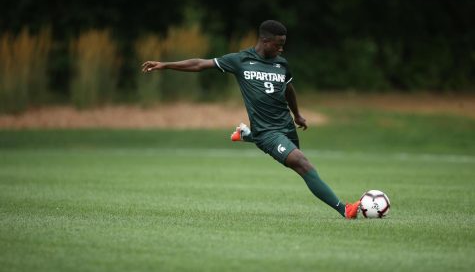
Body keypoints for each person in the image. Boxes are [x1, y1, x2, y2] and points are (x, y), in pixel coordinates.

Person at [142, 20, 360, 219]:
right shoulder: (240, 60)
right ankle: (344, 209)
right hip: (268, 133)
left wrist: (297, 114)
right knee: (303, 165)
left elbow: (289, 88)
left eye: (283, 44)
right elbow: (200, 64)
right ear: (265, 41)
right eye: (278, 44)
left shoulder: (281, 64)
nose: (281, 48)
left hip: (285, 126)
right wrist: (165, 64)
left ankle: (247, 135)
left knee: (298, 161)